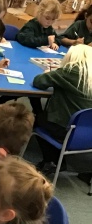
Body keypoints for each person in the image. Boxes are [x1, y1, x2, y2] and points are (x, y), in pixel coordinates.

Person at [31, 44, 92, 175]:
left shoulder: (70, 71)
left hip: (67, 131)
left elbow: (39, 82)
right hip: (88, 133)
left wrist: (47, 73)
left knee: (36, 119)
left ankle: (50, 160)